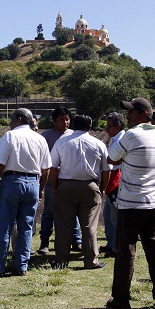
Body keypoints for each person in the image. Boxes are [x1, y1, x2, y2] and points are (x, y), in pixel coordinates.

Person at [106, 98, 155, 309]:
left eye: (132, 112)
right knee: (154, 249)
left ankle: (121, 299)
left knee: (126, 252)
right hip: (154, 203)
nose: (128, 116)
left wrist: (126, 158)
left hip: (131, 203)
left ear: (143, 113)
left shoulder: (131, 135)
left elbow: (111, 158)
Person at [0, 108, 51, 277]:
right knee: (26, 226)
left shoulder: (10, 136)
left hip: (12, 182)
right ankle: (21, 265)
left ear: (19, 119)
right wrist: (41, 188)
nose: (10, 122)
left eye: (12, 119)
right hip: (33, 183)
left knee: (5, 225)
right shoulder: (40, 139)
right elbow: (46, 168)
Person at [50, 114, 110, 269]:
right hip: (90, 187)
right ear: (90, 128)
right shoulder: (98, 144)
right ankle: (91, 261)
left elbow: (53, 167)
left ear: (73, 126)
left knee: (64, 225)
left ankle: (61, 261)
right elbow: (106, 170)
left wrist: (55, 185)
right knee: (89, 225)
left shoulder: (61, 142)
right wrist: (102, 188)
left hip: (65, 186)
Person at [37, 107, 82, 255]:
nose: (65, 122)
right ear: (54, 121)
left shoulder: (74, 135)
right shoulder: (46, 136)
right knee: (49, 211)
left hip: (69, 180)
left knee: (73, 211)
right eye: (62, 119)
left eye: (67, 118)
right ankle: (44, 242)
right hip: (51, 182)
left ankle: (76, 241)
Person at [102, 111, 125, 257]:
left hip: (117, 183)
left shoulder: (122, 140)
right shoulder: (115, 138)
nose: (106, 129)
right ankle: (111, 243)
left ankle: (117, 247)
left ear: (117, 126)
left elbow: (115, 162)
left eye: (109, 126)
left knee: (115, 217)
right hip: (111, 183)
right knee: (107, 216)